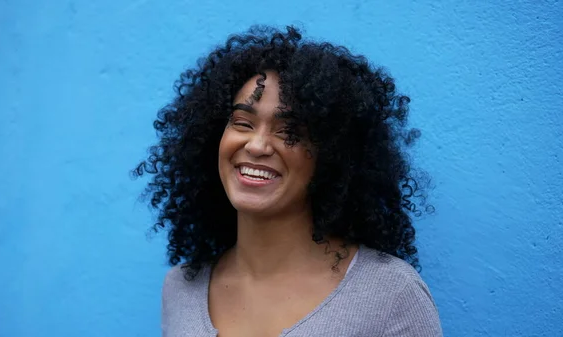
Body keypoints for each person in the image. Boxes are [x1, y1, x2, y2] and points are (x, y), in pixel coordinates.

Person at [134, 25, 443, 337]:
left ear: (332, 157)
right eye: (242, 123)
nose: (256, 146)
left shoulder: (390, 295)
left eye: (289, 132)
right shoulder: (181, 289)